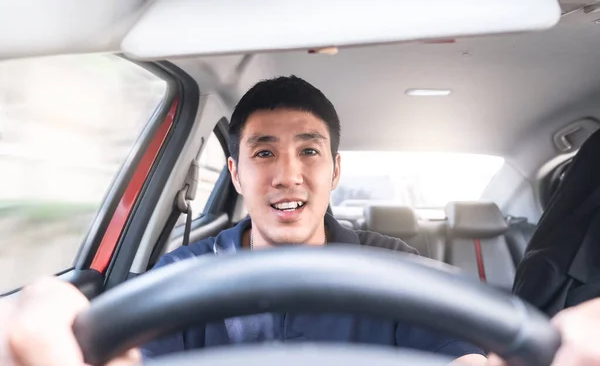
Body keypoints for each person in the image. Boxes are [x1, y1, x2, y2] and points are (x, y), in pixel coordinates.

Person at [2, 76, 600, 366]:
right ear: (235, 173)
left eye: (309, 151)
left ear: (335, 169)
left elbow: (459, 355)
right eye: (264, 153)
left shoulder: (397, 270)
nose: (288, 175)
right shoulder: (179, 274)